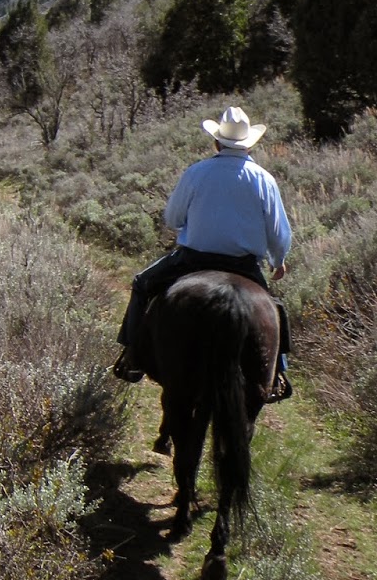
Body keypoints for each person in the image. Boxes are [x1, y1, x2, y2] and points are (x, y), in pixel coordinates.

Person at [113, 105, 293, 399]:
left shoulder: (196, 172)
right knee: (274, 310)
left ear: (217, 142)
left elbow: (172, 218)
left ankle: (132, 358)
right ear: (248, 145)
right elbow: (279, 232)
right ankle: (277, 374)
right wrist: (278, 260)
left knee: (142, 284)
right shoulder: (265, 180)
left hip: (192, 259)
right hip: (244, 264)